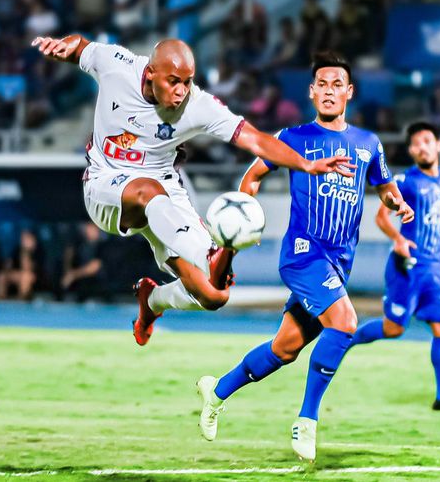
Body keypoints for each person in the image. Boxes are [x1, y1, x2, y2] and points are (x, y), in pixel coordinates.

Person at [30, 34, 352, 346]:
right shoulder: (118, 65)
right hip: (105, 185)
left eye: (188, 81)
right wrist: (61, 46)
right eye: (174, 81)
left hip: (163, 194)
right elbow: (80, 47)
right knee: (146, 191)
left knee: (214, 293)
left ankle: (153, 300)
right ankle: (211, 255)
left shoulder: (198, 105)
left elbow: (255, 138)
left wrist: (306, 165)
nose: (182, 91)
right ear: (151, 73)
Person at [194, 51, 414, 462]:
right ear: (312, 92)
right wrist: (240, 214)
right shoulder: (292, 138)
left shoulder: (368, 144)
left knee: (285, 349)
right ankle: (307, 420)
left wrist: (397, 204)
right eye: (322, 84)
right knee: (345, 324)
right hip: (302, 255)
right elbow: (254, 175)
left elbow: (384, 186)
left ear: (349, 93)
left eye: (337, 85)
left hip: (338, 263)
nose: (329, 91)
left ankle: (217, 390)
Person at [350, 122, 440, 412]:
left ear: (438, 145)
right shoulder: (405, 182)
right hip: (408, 266)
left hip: (436, 268)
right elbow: (382, 217)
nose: (422, 147)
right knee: (393, 329)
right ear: (411, 151)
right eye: (416, 143)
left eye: (427, 140)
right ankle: (346, 338)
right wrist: (398, 239)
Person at [0, 229, 43, 300]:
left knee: (26, 276)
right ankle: (0, 299)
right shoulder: (17, 249)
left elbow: (29, 268)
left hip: (34, 275)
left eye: (26, 238)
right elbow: (9, 264)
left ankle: (22, 300)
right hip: (18, 273)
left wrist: (27, 252)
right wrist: (8, 265)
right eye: (22, 238)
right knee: (1, 276)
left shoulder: (38, 251)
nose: (23, 240)